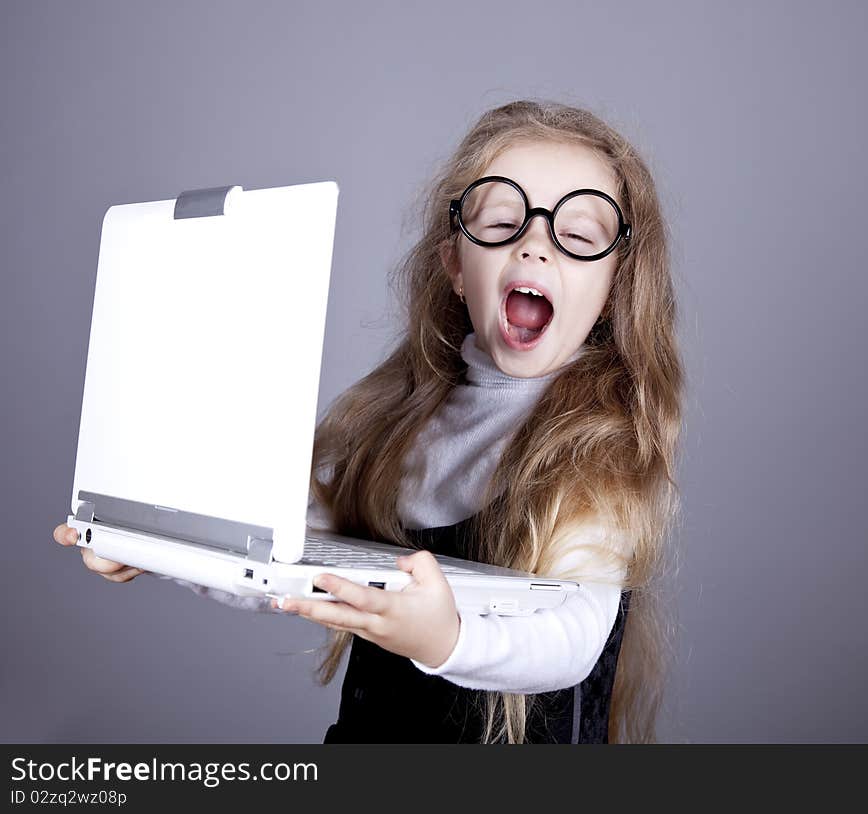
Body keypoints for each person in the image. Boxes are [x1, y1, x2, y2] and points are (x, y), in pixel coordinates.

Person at [54, 99, 684, 744]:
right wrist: (157, 547)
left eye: (578, 237)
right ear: (455, 269)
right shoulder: (393, 424)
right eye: (502, 222)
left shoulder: (606, 449)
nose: (535, 247)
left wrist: (445, 639)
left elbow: (570, 643)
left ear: (614, 288)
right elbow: (285, 561)